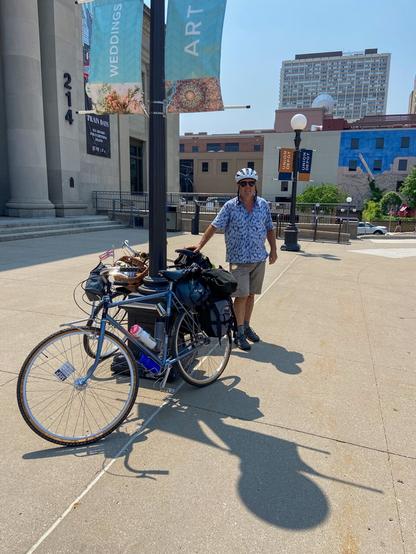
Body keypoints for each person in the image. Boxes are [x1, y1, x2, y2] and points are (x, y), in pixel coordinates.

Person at [189, 167, 277, 351]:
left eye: (251, 183)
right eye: (243, 183)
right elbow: (214, 226)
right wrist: (199, 246)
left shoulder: (263, 205)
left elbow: (269, 228)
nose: (247, 186)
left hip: (259, 258)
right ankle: (238, 332)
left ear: (255, 185)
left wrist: (274, 250)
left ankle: (246, 325)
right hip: (239, 261)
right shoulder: (230, 206)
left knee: (251, 294)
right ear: (238, 186)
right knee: (241, 296)